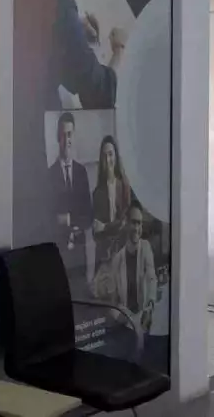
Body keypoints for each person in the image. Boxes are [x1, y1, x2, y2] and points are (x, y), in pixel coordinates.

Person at [48, 112, 94, 291]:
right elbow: (47, 218)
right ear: (57, 138)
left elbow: (88, 215)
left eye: (69, 135)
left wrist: (67, 219)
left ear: (73, 137)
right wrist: (73, 218)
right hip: (58, 255)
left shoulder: (82, 172)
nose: (66, 139)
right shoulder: (49, 175)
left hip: (79, 257)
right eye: (63, 135)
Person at [109, 204, 158, 332]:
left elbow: (152, 279)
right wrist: (122, 318)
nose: (137, 228)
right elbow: (113, 301)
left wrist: (149, 309)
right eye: (133, 223)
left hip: (143, 318)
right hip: (125, 321)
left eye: (139, 223)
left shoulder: (146, 248)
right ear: (126, 224)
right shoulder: (117, 260)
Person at [92, 135, 134, 267]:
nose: (107, 160)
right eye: (104, 156)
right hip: (104, 254)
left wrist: (105, 227)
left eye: (110, 154)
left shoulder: (124, 186)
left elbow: (124, 223)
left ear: (116, 157)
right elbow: (96, 232)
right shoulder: (97, 192)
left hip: (123, 250)